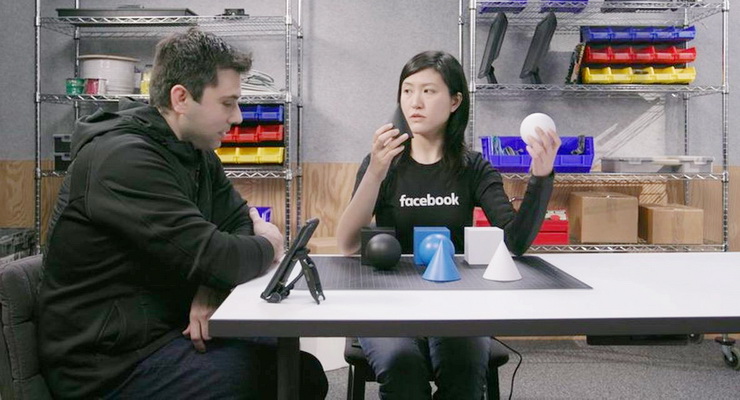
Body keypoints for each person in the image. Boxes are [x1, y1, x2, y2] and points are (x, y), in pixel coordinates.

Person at [38, 28, 328, 400]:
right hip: (108, 365)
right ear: (181, 98)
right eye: (227, 103)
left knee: (295, 366)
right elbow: (220, 255)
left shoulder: (195, 150)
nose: (238, 117)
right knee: (292, 377)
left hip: (163, 330)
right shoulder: (123, 160)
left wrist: (213, 284)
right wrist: (270, 242)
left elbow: (236, 223)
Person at [335, 50, 560, 399]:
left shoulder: (473, 167)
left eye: (428, 91)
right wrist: (376, 172)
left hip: (456, 299)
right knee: (401, 365)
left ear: (455, 101)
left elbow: (514, 242)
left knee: (464, 369)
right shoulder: (382, 163)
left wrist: (541, 177)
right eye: (407, 91)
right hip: (388, 299)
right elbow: (348, 244)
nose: (415, 102)